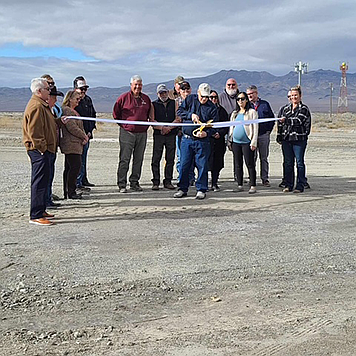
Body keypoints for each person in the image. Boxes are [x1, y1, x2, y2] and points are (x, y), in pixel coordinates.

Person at [23, 78, 57, 226]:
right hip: (39, 151)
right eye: (46, 89)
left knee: (44, 180)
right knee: (39, 181)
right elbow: (35, 132)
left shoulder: (42, 105)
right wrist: (42, 148)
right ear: (39, 91)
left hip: (46, 149)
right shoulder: (36, 106)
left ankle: (41, 209)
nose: (49, 92)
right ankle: (36, 214)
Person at [174, 83, 218, 199]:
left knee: (202, 165)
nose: (204, 99)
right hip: (187, 140)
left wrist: (206, 133)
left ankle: (201, 189)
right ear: (198, 92)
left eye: (206, 97)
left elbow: (215, 127)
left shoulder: (212, 108)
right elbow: (179, 112)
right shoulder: (190, 99)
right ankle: (182, 188)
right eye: (202, 96)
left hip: (202, 142)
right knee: (184, 164)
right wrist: (190, 115)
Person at [113, 75, 154, 193]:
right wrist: (125, 126)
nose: (138, 87)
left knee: (138, 158)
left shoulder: (146, 99)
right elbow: (116, 114)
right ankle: (122, 183)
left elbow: (149, 115)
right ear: (131, 85)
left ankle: (134, 182)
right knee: (125, 158)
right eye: (136, 84)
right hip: (127, 133)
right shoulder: (123, 98)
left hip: (142, 133)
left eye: (140, 84)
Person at [277, 85, 311, 193]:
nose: (293, 97)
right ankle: (288, 184)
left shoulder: (304, 109)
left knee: (299, 162)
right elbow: (280, 124)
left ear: (300, 96)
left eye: (295, 95)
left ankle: (300, 185)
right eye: (291, 95)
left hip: (299, 139)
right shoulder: (285, 109)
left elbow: (298, 121)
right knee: (288, 162)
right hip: (287, 139)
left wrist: (286, 121)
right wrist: (279, 135)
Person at [60, 90, 89, 199]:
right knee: (74, 167)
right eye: (76, 99)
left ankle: (69, 191)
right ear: (70, 99)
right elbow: (72, 127)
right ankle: (70, 191)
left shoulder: (72, 111)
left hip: (75, 143)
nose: (78, 101)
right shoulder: (67, 111)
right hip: (71, 144)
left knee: (70, 167)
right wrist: (84, 136)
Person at [228, 92, 259, 194]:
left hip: (247, 142)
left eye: (242, 99)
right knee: (238, 164)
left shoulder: (252, 112)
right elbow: (231, 128)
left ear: (246, 100)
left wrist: (254, 142)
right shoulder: (234, 113)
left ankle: (253, 185)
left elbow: (255, 128)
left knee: (249, 163)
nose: (240, 101)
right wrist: (230, 140)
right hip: (236, 142)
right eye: (238, 99)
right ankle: (240, 184)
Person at [151, 84, 179, 190]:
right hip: (159, 135)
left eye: (165, 92)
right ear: (158, 94)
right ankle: (156, 181)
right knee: (156, 158)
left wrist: (169, 128)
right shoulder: (153, 104)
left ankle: (168, 181)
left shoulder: (174, 103)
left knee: (170, 158)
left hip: (171, 134)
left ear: (168, 92)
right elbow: (152, 120)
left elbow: (178, 118)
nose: (163, 94)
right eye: (161, 93)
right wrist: (162, 128)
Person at [246, 85, 275, 187]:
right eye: (248, 94)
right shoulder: (246, 106)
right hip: (251, 136)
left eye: (251, 94)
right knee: (251, 159)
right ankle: (252, 179)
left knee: (264, 158)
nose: (250, 96)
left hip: (263, 135)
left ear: (256, 93)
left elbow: (271, 119)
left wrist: (268, 131)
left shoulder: (265, 104)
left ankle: (265, 179)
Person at [73, 76, 96, 190]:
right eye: (81, 89)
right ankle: (77, 182)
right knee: (78, 160)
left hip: (87, 134)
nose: (83, 92)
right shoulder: (74, 101)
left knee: (84, 158)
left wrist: (89, 131)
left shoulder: (88, 100)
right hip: (77, 136)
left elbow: (92, 115)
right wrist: (81, 134)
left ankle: (83, 179)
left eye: (85, 89)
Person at [46, 85, 64, 209]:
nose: (56, 100)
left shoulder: (52, 109)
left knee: (50, 174)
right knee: (45, 176)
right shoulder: (41, 109)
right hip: (45, 148)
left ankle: (48, 198)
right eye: (53, 97)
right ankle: (44, 201)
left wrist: (60, 121)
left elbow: (53, 124)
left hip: (53, 146)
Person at [175, 80, 195, 186]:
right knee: (180, 157)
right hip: (179, 133)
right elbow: (178, 116)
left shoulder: (194, 100)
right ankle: (181, 177)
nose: (186, 91)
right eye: (183, 89)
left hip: (191, 132)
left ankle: (191, 177)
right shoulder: (176, 102)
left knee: (191, 158)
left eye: (187, 89)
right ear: (180, 91)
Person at [208, 90, 229, 191]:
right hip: (207, 140)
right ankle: (203, 182)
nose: (213, 99)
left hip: (219, 140)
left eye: (215, 97)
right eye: (211, 97)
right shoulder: (204, 109)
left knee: (217, 162)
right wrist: (211, 133)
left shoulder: (222, 111)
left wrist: (219, 133)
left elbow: (226, 125)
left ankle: (214, 182)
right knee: (205, 162)